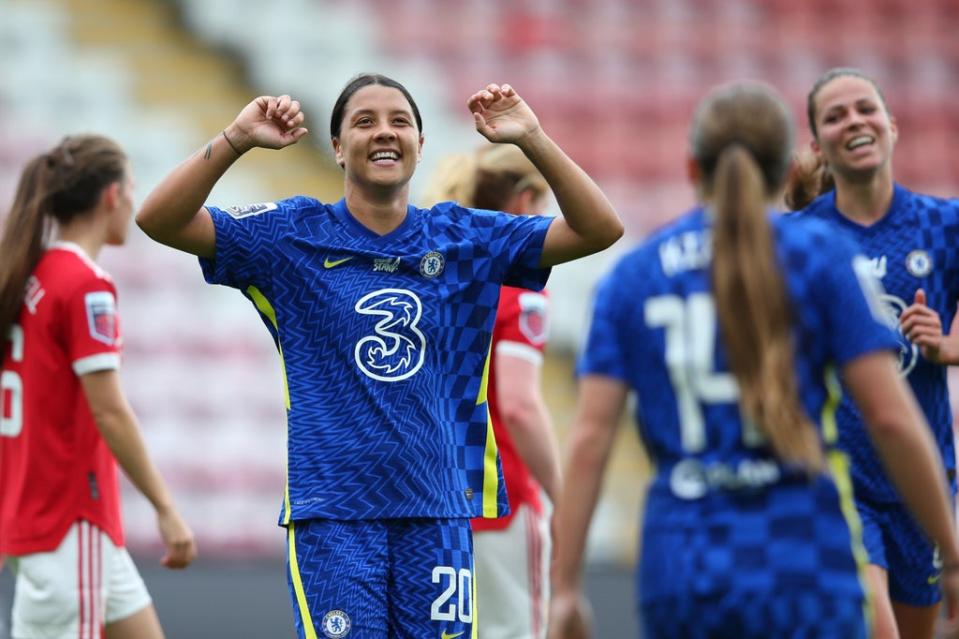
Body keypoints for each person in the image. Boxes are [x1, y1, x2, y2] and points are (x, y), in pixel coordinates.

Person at [134, 74, 622, 637]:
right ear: (338, 148)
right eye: (364, 122)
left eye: (400, 121)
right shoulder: (291, 235)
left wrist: (532, 137)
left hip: (438, 509)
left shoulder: (464, 239)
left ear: (420, 142)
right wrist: (237, 138)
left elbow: (599, 228)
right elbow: (159, 220)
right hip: (334, 517)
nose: (384, 132)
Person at [547, 82, 959, 639]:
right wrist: (953, 552)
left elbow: (590, 438)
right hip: (804, 556)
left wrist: (566, 587)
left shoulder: (631, 277)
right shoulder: (821, 256)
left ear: (693, 168)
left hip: (684, 564)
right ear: (785, 169)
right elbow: (889, 417)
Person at [785, 66, 959, 639]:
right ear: (817, 143)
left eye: (865, 108)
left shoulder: (943, 225)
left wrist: (947, 347)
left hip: (923, 481)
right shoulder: (799, 239)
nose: (854, 122)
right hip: (838, 480)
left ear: (892, 124)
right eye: (835, 116)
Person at [0, 135, 196, 639]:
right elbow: (109, 410)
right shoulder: (85, 285)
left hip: (49, 519)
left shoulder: (26, 276)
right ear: (112, 196)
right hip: (70, 518)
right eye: (131, 189)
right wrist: (166, 508)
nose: (133, 201)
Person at [421, 143, 562, 639]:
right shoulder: (521, 286)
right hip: (503, 500)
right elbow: (520, 406)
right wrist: (565, 499)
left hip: (434, 505)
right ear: (524, 202)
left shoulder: (440, 274)